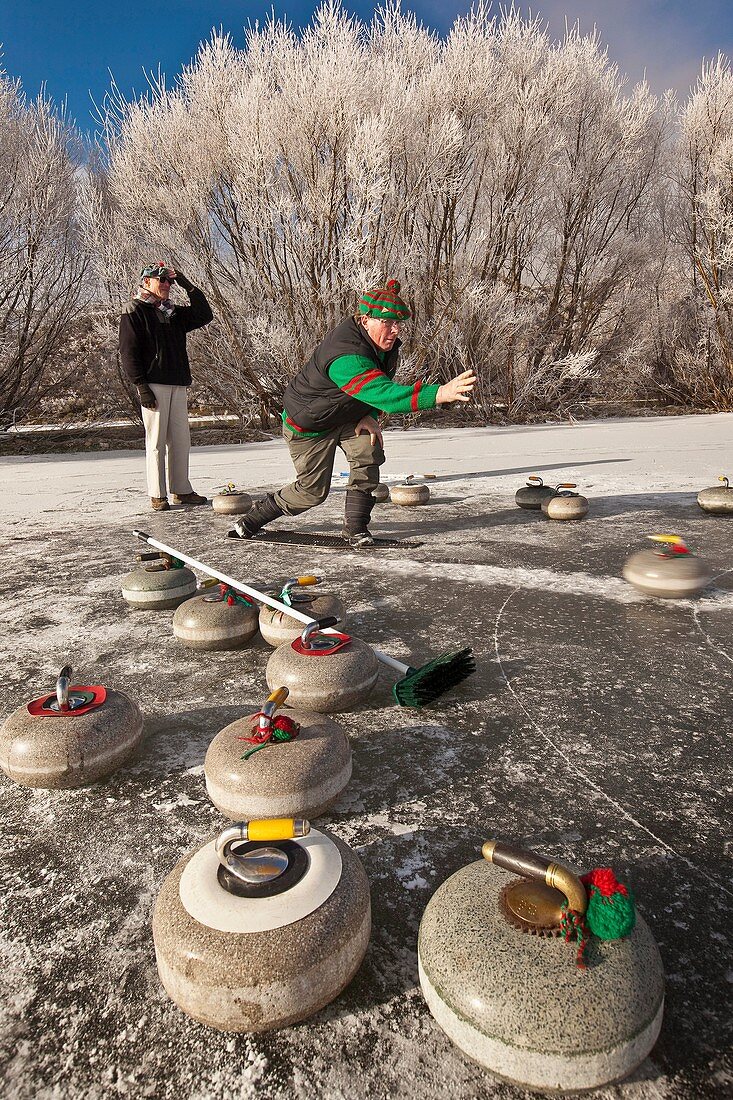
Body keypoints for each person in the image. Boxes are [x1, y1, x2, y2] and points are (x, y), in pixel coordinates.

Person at [228, 278, 476, 546]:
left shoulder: (382, 346)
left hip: (346, 416)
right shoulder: (347, 356)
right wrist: (439, 394)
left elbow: (373, 393)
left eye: (399, 323)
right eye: (388, 323)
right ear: (365, 319)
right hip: (309, 425)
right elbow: (386, 395)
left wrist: (369, 415)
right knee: (311, 492)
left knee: (368, 450)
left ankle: (356, 529)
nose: (395, 330)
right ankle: (251, 520)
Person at [119, 261, 214, 511]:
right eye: (160, 280)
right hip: (154, 384)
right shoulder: (134, 309)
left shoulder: (172, 313)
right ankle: (157, 494)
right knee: (156, 442)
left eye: (169, 281)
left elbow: (204, 314)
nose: (166, 285)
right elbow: (128, 352)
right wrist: (141, 386)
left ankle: (181, 490)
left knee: (181, 441)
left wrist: (186, 283)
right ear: (146, 282)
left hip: (177, 383)